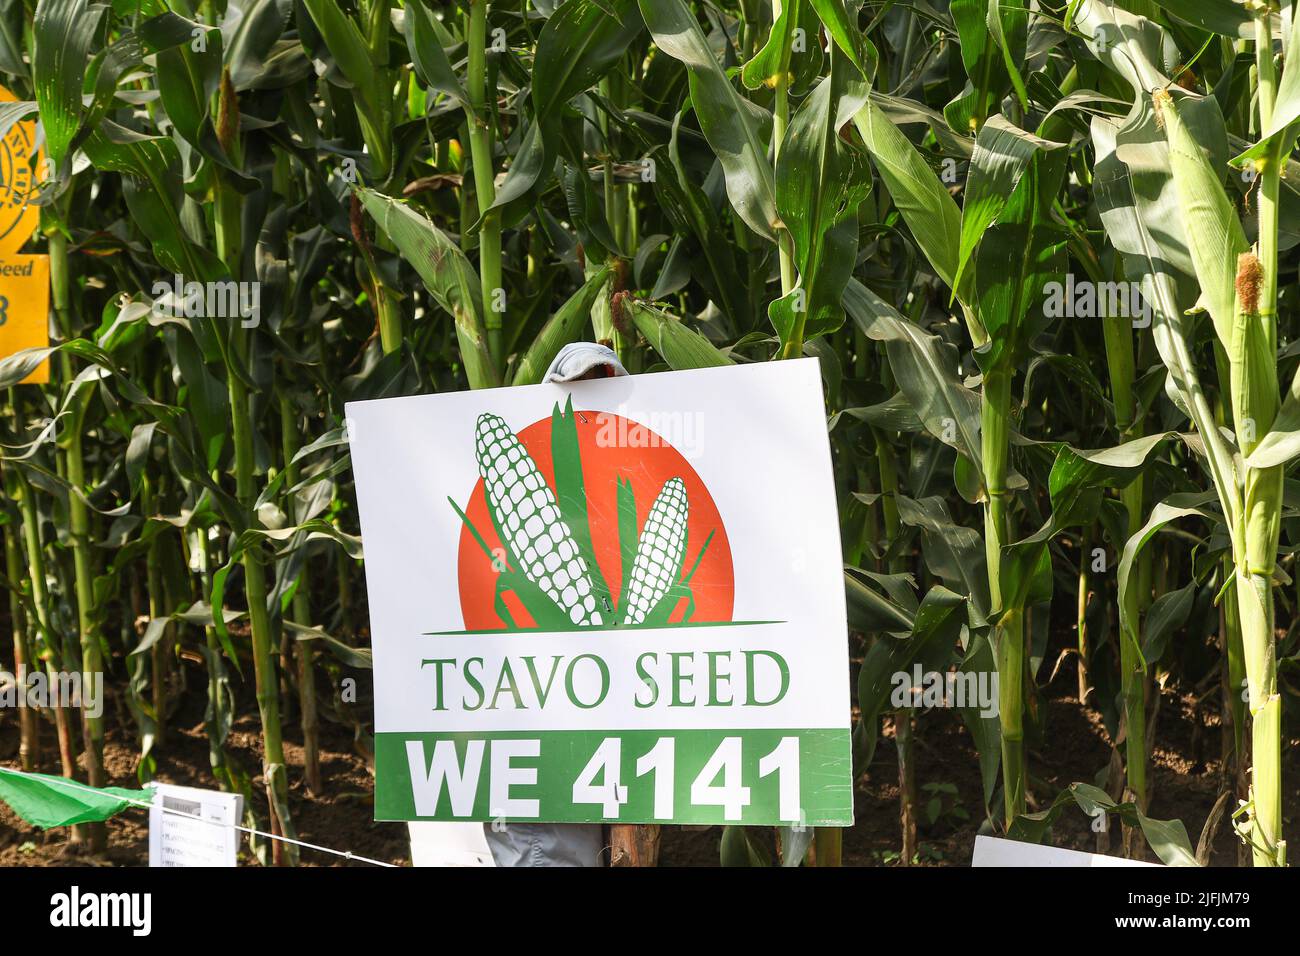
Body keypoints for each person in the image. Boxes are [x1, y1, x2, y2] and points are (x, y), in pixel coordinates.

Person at [482, 342, 625, 867]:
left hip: (609, 744)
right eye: (579, 389)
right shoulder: (524, 494)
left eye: (606, 385)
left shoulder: (627, 480)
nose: (592, 402)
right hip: (538, 740)